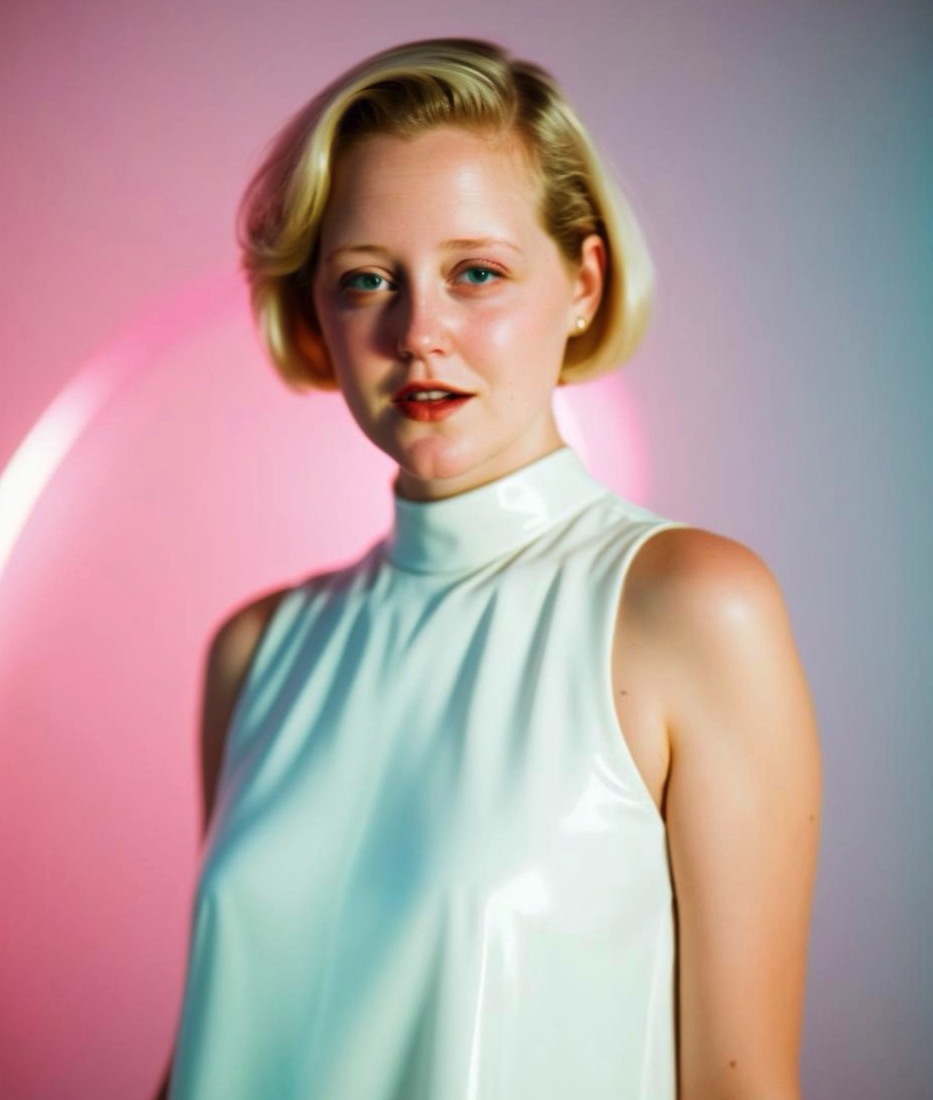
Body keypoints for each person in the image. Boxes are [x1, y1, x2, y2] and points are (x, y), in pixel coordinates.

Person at [154, 37, 821, 1100]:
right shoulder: (257, 651)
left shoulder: (690, 609)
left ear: (582, 283)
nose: (420, 332)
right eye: (367, 279)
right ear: (317, 314)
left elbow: (742, 1084)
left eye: (477, 272)